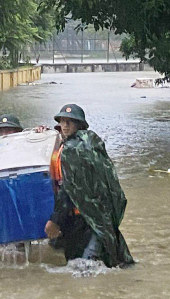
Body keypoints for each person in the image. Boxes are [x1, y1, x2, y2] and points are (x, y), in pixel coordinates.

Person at [43, 104, 134, 268]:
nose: (65, 125)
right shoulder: (91, 144)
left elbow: (69, 189)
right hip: (98, 214)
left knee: (83, 267)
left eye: (70, 122)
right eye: (62, 121)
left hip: (83, 216)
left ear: (79, 125)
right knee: (99, 263)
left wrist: (55, 220)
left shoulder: (73, 151)